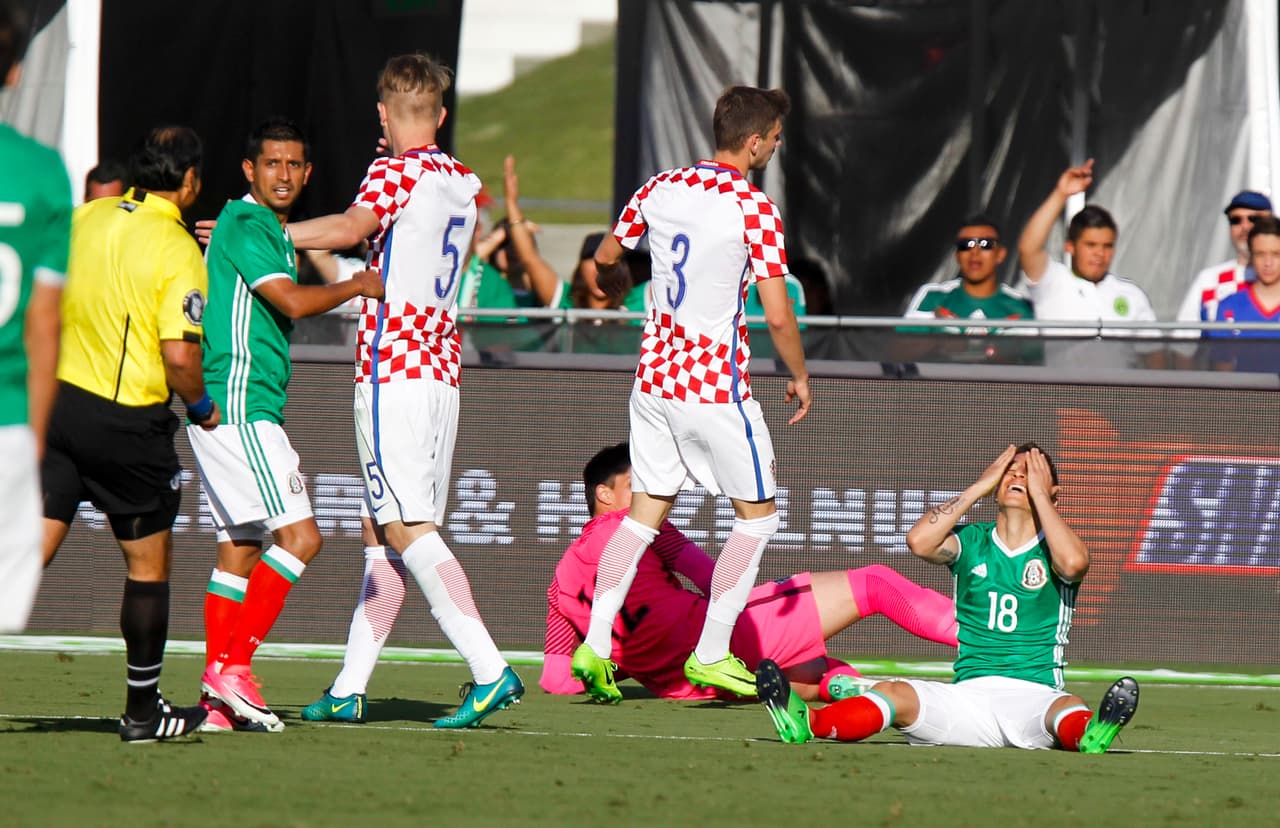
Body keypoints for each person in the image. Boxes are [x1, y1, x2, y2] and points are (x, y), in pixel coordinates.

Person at [286, 54, 524, 729]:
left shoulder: (394, 170)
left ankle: (488, 669)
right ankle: (348, 687)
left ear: (383, 115)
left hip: (395, 371)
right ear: (442, 115)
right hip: (441, 372)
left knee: (405, 526)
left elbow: (349, 231)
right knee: (382, 531)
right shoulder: (462, 181)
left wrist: (269, 232)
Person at [570, 84, 813, 703]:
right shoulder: (753, 208)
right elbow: (779, 316)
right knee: (758, 519)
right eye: (776, 141)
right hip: (713, 386)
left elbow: (605, 256)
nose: (776, 149)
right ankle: (711, 652)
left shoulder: (658, 187)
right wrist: (799, 374)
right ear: (754, 143)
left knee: (644, 513)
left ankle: (596, 645)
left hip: (653, 380)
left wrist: (615, 282)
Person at [755, 443, 1140, 754]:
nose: (1018, 476)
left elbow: (1074, 564)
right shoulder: (973, 540)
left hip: (1034, 695)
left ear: (1052, 491)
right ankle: (809, 722)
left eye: (1030, 472)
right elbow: (918, 541)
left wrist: (1042, 497)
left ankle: (1092, 732)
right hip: (968, 696)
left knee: (1066, 708)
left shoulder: (1056, 549)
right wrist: (979, 486)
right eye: (1011, 471)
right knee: (894, 692)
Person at [192, 118, 384, 733]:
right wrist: (359, 283)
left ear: (308, 173)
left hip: (232, 403)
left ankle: (216, 700)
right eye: (272, 163)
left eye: (294, 165)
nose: (284, 174)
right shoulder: (249, 223)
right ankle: (233, 669)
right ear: (250, 170)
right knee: (301, 540)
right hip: (243, 405)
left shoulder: (265, 228)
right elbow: (294, 302)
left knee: (240, 549)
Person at [541, 443, 959, 702]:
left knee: (812, 675)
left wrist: (631, 661)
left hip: (679, 686)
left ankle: (849, 690)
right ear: (604, 493)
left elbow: (557, 680)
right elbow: (712, 579)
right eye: (640, 482)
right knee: (874, 583)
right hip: (717, 645)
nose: (655, 491)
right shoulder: (638, 527)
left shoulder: (558, 584)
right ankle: (996, 642)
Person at [42, 125, 216, 742]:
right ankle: (143, 713)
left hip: (56, 408)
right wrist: (200, 407)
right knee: (148, 565)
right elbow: (178, 359)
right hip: (125, 422)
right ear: (191, 180)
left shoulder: (86, 217)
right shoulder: (177, 249)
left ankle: (147, 711)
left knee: (23, 557)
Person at [0, 0, 68, 633]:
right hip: (8, 418)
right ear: (16, 70)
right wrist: (36, 434)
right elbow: (44, 323)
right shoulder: (43, 171)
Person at [1016, 160, 1161, 368]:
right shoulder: (1052, 282)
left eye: (1107, 246)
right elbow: (1028, 248)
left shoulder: (1132, 294)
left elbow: (1154, 355)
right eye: (1091, 245)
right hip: (1063, 398)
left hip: (1119, 399)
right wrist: (1060, 194)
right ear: (1070, 247)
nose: (1100, 254)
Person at [897, 215, 1038, 363]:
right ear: (957, 255)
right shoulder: (933, 297)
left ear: (1000, 255)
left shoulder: (1021, 306)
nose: (974, 252)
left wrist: (990, 351)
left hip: (1001, 386)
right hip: (943, 384)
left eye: (985, 244)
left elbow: (1037, 367)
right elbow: (896, 353)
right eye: (966, 244)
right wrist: (939, 342)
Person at [1173, 191, 1273, 366]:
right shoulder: (1209, 280)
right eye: (1236, 220)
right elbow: (1183, 347)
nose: (1245, 227)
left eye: (1254, 219)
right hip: (1228, 388)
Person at [1205, 214, 1280, 372]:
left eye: (1276, 254)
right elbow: (1223, 373)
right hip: (1245, 396)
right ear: (1251, 256)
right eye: (1260, 254)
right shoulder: (1229, 307)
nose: (1268, 263)